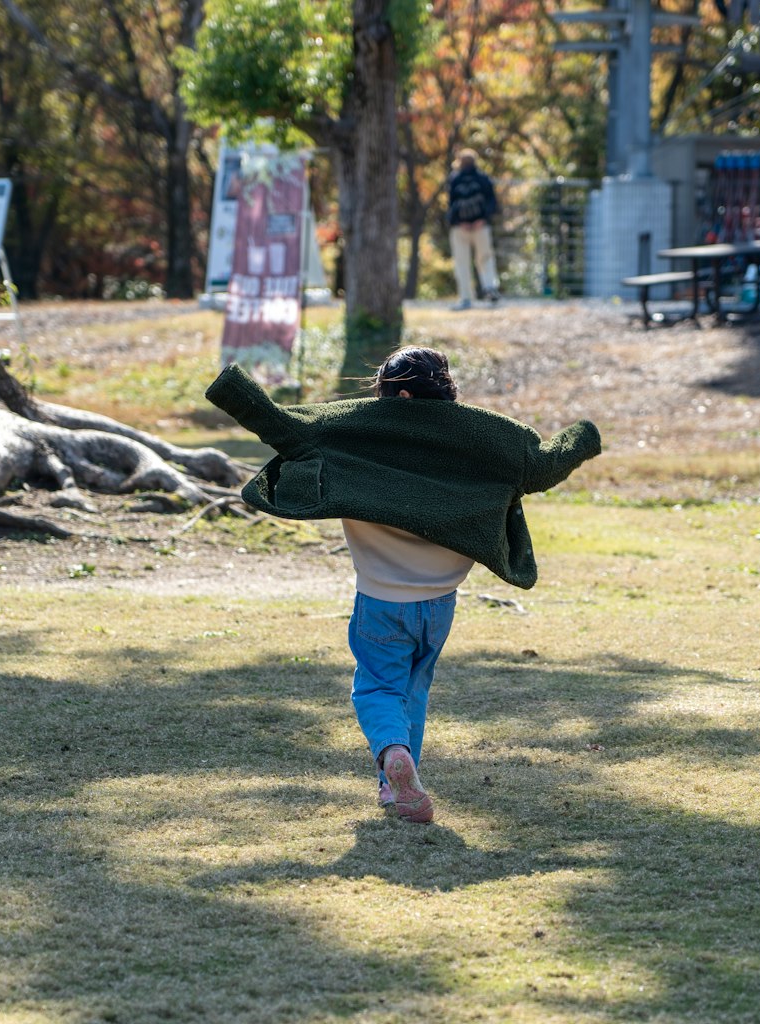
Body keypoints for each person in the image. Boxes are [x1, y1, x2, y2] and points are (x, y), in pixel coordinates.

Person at [204, 350, 601, 824]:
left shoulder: (356, 429)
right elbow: (545, 464)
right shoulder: (486, 436)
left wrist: (233, 385)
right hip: (439, 605)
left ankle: (393, 755)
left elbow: (277, 424)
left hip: (380, 602)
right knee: (413, 690)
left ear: (400, 395)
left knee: (377, 690)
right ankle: (394, 790)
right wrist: (585, 435)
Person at [445, 149, 501, 311]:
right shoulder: (483, 178)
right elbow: (492, 203)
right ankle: (490, 288)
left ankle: (466, 297)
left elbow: (451, 204)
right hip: (481, 226)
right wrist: (482, 219)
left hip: (460, 228)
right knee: (485, 258)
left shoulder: (455, 178)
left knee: (462, 262)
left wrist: (458, 221)